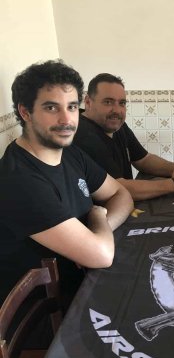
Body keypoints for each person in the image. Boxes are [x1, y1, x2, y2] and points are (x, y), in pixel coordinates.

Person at [0, 60, 134, 309]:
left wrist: (100, 228)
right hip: (53, 314)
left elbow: (121, 194)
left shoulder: (69, 152)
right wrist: (97, 218)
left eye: (72, 107)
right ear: (25, 112)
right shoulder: (19, 181)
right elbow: (102, 255)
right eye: (51, 107)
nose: (66, 119)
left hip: (84, 284)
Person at [73, 73, 174, 200]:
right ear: (88, 102)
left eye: (122, 103)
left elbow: (144, 160)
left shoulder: (116, 125)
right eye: (108, 102)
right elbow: (118, 188)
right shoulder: (84, 135)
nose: (117, 110)